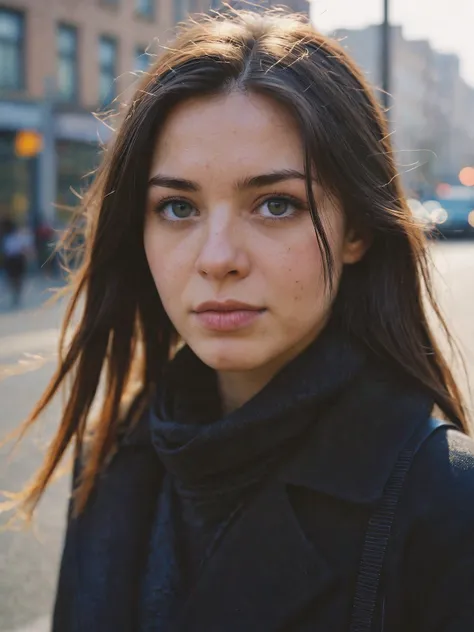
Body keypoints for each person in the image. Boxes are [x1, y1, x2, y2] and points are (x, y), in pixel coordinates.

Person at [10, 10, 474, 631]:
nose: (218, 258)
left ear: (357, 229)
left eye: (275, 204)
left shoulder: (444, 500)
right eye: (177, 207)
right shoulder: (112, 454)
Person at [0, 217, 33, 307]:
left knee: (17, 279)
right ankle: (15, 294)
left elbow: (23, 248)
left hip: (16, 260)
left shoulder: (13, 237)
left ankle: (17, 294)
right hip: (13, 260)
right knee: (14, 279)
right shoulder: (8, 238)